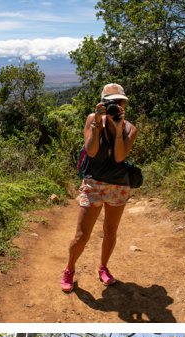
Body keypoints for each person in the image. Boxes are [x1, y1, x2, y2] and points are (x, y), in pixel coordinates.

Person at [63, 83, 138, 292]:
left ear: (124, 104)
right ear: (102, 104)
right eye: (110, 102)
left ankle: (103, 267)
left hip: (118, 185)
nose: (115, 106)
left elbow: (119, 157)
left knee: (110, 231)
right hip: (93, 182)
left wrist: (119, 127)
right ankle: (69, 269)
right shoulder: (91, 120)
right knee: (81, 235)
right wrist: (97, 123)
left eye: (119, 102)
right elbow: (92, 151)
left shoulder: (130, 128)